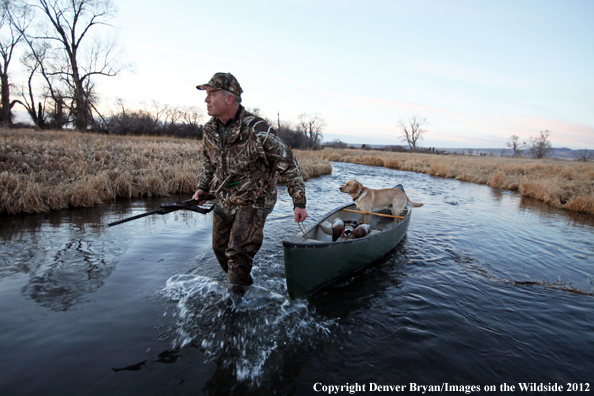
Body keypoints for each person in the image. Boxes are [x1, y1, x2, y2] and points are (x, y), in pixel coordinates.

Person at [193, 72, 308, 288]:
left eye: (212, 94)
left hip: (255, 199)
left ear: (229, 98)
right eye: (207, 94)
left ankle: (234, 307)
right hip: (225, 198)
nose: (206, 99)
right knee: (220, 250)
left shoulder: (257, 129)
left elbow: (288, 163)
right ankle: (245, 285)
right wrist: (202, 188)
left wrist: (299, 202)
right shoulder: (210, 129)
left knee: (238, 253)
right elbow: (209, 163)